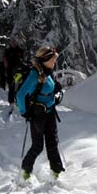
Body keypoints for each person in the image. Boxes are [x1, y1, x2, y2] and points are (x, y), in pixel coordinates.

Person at [16, 46, 64, 181]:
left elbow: (47, 89)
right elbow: (20, 96)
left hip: (50, 113)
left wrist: (56, 88)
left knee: (52, 142)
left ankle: (56, 172)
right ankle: (25, 172)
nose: (55, 62)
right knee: (38, 146)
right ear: (45, 59)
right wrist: (26, 113)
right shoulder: (34, 75)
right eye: (53, 59)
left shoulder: (47, 72)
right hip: (38, 115)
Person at [3, 38, 25, 104]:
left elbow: (23, 60)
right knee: (11, 86)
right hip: (10, 71)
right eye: (12, 42)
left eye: (15, 42)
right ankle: (11, 101)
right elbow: (5, 61)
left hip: (19, 71)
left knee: (19, 85)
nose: (13, 43)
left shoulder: (20, 50)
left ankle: (19, 100)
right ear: (10, 43)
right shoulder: (8, 51)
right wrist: (6, 69)